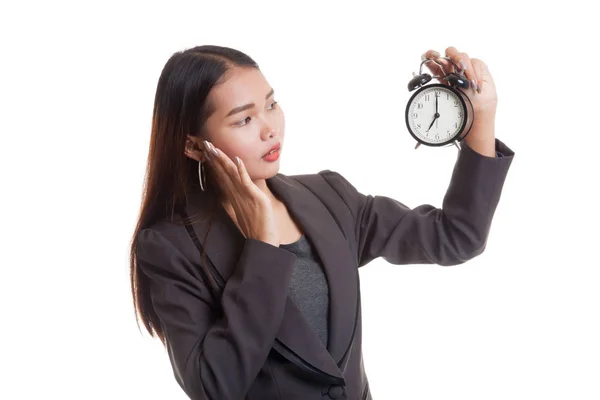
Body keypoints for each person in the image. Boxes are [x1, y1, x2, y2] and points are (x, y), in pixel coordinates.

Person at [130, 44, 514, 400]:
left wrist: (481, 118)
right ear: (195, 145)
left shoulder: (328, 197)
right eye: (244, 119)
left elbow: (457, 237)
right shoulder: (169, 247)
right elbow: (215, 385)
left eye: (272, 104)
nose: (270, 128)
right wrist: (261, 246)